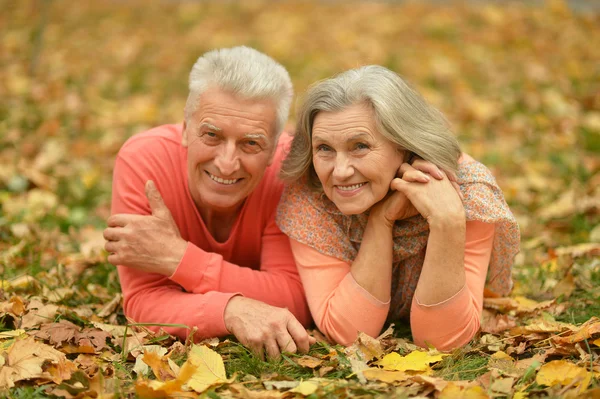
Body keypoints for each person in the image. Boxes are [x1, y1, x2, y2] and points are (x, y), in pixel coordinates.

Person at [276, 65, 520, 351]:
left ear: (404, 145)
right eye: (325, 148)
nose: (340, 171)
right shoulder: (312, 195)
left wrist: (447, 222)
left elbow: (444, 341)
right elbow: (347, 332)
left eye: (360, 146)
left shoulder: (468, 192)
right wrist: (382, 221)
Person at [103, 46, 312, 359]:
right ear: (186, 130)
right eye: (212, 135)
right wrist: (230, 310)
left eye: (251, 143)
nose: (227, 163)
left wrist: (178, 259)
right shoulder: (144, 162)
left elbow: (296, 297)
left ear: (273, 150)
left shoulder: (288, 169)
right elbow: (144, 301)